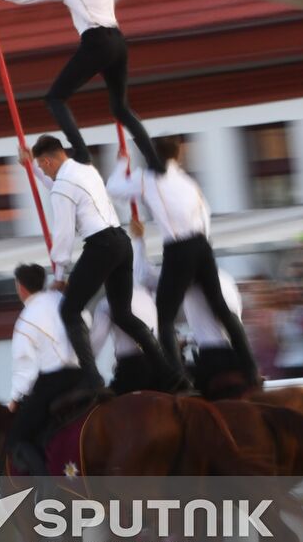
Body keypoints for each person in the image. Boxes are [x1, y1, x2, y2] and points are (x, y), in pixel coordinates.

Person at [0, 0, 164, 172]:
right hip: (118, 40)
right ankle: (156, 164)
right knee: (121, 108)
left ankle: (83, 155)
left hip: (96, 41)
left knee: (55, 98)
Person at [26, 135, 183, 392]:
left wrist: (59, 274)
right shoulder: (85, 169)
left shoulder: (63, 185)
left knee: (69, 311)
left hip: (101, 247)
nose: (44, 171)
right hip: (121, 242)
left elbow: (63, 234)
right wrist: (31, 168)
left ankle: (91, 380)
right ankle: (168, 372)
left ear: (47, 160)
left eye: (42, 166)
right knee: (123, 314)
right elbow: (56, 184)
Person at [107, 136, 260, 387]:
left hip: (212, 358)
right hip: (202, 246)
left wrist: (139, 240)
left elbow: (114, 188)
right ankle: (251, 366)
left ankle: (178, 380)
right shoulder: (191, 184)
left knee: (164, 320)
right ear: (178, 156)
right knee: (222, 308)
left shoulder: (150, 178)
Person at [130, 216, 249, 395]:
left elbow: (143, 277)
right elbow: (221, 324)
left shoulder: (190, 279)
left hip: (213, 360)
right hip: (236, 355)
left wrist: (138, 240)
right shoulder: (225, 278)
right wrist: (188, 339)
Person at [7, 263, 85, 475]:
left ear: (21, 287)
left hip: (54, 382)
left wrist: (14, 400)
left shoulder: (26, 319)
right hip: (84, 375)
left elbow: (25, 367)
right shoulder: (63, 299)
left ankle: (46, 486)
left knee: (17, 435)